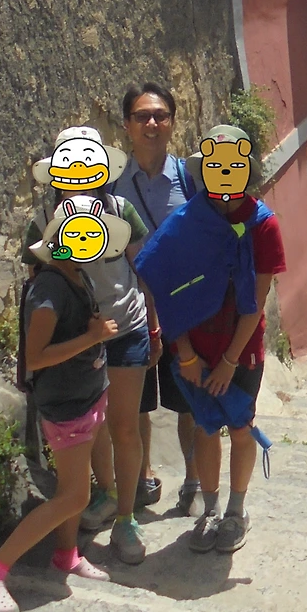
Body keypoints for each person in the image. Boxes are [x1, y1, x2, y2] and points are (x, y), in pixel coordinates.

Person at [0, 199, 119, 612]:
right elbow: (37, 356)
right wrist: (92, 339)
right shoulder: (50, 289)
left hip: (87, 395)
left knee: (73, 485)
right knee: (75, 496)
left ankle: (65, 554)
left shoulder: (76, 273)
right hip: (67, 405)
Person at [23, 125, 155, 566]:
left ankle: (126, 519)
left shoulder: (120, 211)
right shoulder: (43, 221)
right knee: (93, 424)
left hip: (126, 329)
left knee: (124, 426)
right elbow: (38, 281)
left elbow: (143, 269)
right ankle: (106, 493)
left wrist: (155, 326)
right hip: (78, 339)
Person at [166, 122, 286, 554]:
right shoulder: (187, 223)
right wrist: (185, 354)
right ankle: (211, 510)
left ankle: (236, 512)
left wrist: (230, 362)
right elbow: (169, 289)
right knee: (204, 427)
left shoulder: (262, 225)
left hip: (241, 352)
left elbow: (256, 300)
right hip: (195, 350)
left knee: (239, 427)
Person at [114, 82, 200, 512]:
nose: (152, 123)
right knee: (137, 404)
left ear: (172, 122)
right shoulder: (110, 185)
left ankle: (194, 481)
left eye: (160, 115)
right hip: (131, 310)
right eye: (142, 116)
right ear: (127, 125)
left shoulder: (190, 179)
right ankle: (144, 476)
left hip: (182, 310)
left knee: (189, 402)